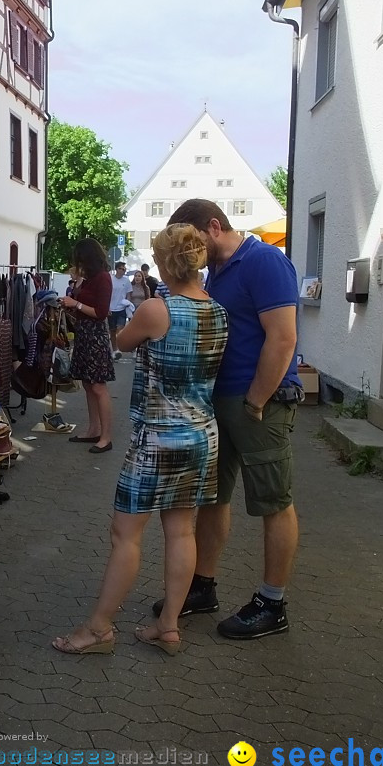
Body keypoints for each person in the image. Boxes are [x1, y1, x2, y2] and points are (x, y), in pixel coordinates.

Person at [52, 224, 228, 656]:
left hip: (158, 437)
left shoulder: (156, 308)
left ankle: (98, 628)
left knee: (125, 535)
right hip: (202, 434)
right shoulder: (219, 311)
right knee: (182, 532)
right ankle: (168, 626)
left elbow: (122, 341)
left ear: (166, 263)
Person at [159, 198, 302, 640]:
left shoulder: (264, 261)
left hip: (258, 402)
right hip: (218, 403)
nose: (188, 250)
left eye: (192, 239)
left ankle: (272, 602)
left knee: (273, 501)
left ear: (215, 227)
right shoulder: (214, 272)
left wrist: (257, 400)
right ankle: (203, 585)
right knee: (213, 497)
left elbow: (283, 338)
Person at [58, 239, 115, 454]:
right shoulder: (89, 279)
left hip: (95, 338)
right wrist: (74, 295)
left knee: (99, 387)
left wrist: (76, 304)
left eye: (80, 259)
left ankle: (106, 437)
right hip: (84, 335)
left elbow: (101, 312)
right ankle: (93, 429)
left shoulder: (103, 278)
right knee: (89, 385)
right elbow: (81, 305)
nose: (77, 263)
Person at [108, 261, 133, 359]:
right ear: (117, 269)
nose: (123, 270)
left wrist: (127, 303)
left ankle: (119, 347)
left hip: (121, 308)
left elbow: (129, 293)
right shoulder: (111, 279)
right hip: (111, 308)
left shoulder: (126, 281)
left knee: (120, 329)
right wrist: (107, 307)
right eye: (121, 269)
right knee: (112, 331)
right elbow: (107, 294)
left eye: (124, 269)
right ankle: (115, 350)